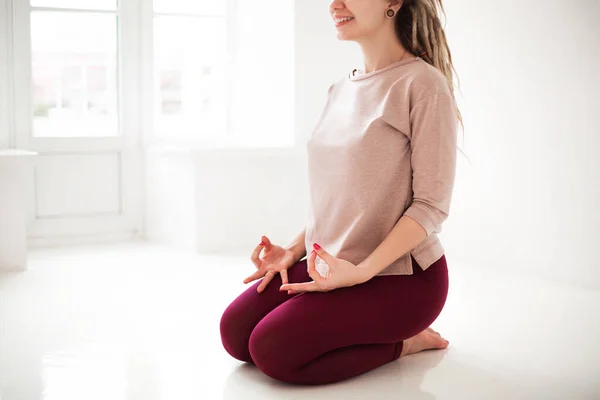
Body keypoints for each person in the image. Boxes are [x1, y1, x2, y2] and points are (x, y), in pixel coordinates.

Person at [220, 0, 462, 385]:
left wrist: (361, 272)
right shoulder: (340, 89)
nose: (335, 4)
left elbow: (431, 206)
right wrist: (295, 250)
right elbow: (342, 196)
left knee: (273, 350)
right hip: (332, 264)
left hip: (400, 277)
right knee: (234, 334)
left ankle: (404, 342)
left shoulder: (423, 84)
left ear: (394, 3)